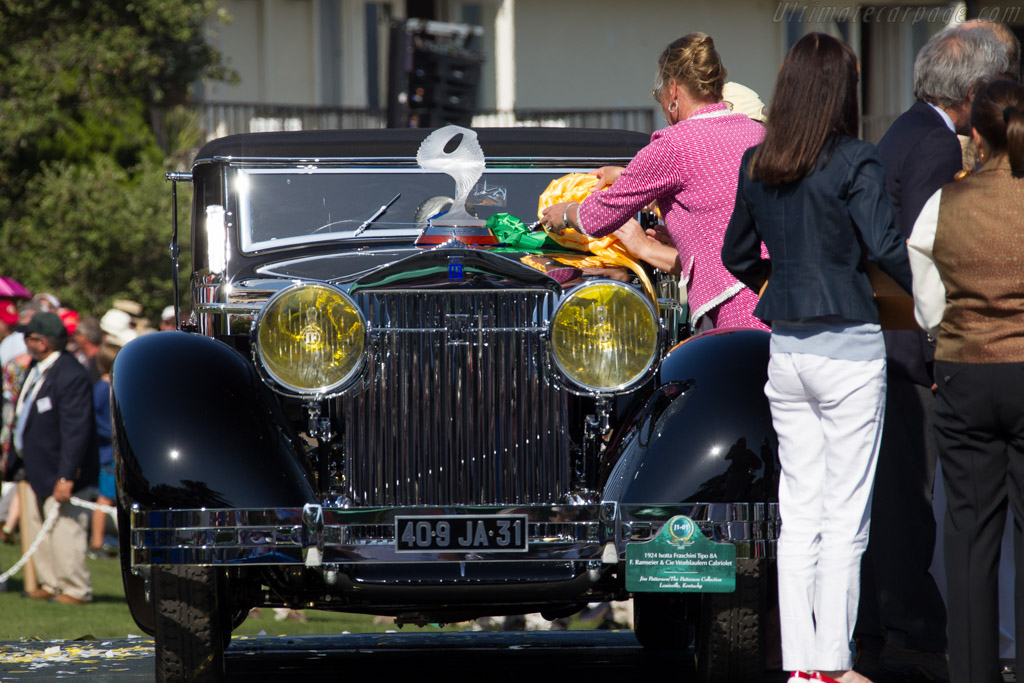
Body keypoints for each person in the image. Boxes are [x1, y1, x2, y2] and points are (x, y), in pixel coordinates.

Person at [721, 33, 913, 683]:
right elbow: (887, 247)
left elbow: (735, 256)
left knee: (798, 511)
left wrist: (781, 288)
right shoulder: (855, 160)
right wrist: (935, 295)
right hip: (850, 348)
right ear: (842, 92)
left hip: (788, 349)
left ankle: (803, 667)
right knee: (845, 514)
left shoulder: (758, 161)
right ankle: (832, 663)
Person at [855, 25, 1009, 680]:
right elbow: (931, 257)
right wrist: (940, 347)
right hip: (915, 346)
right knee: (912, 502)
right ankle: (914, 629)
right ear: (976, 92)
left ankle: (892, 625)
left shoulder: (906, 131)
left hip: (888, 339)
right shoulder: (936, 150)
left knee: (894, 496)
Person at [907, 78, 1024, 683]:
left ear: (974, 134)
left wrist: (944, 327)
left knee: (971, 536)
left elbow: (926, 291)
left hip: (964, 373)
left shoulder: (946, 202)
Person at [540, 32, 767, 332]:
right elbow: (710, 189)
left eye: (658, 91)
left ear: (673, 90)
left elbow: (597, 218)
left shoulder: (672, 144)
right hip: (780, 294)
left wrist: (566, 212)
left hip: (735, 306)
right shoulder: (756, 134)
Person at [14, 312, 98, 604]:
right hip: (37, 467)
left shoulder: (70, 374)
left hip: (62, 470)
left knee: (66, 530)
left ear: (45, 341)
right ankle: (51, 584)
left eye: (31, 337)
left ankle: (75, 588)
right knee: (41, 529)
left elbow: (76, 431)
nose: (25, 341)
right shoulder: (40, 368)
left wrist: (66, 475)